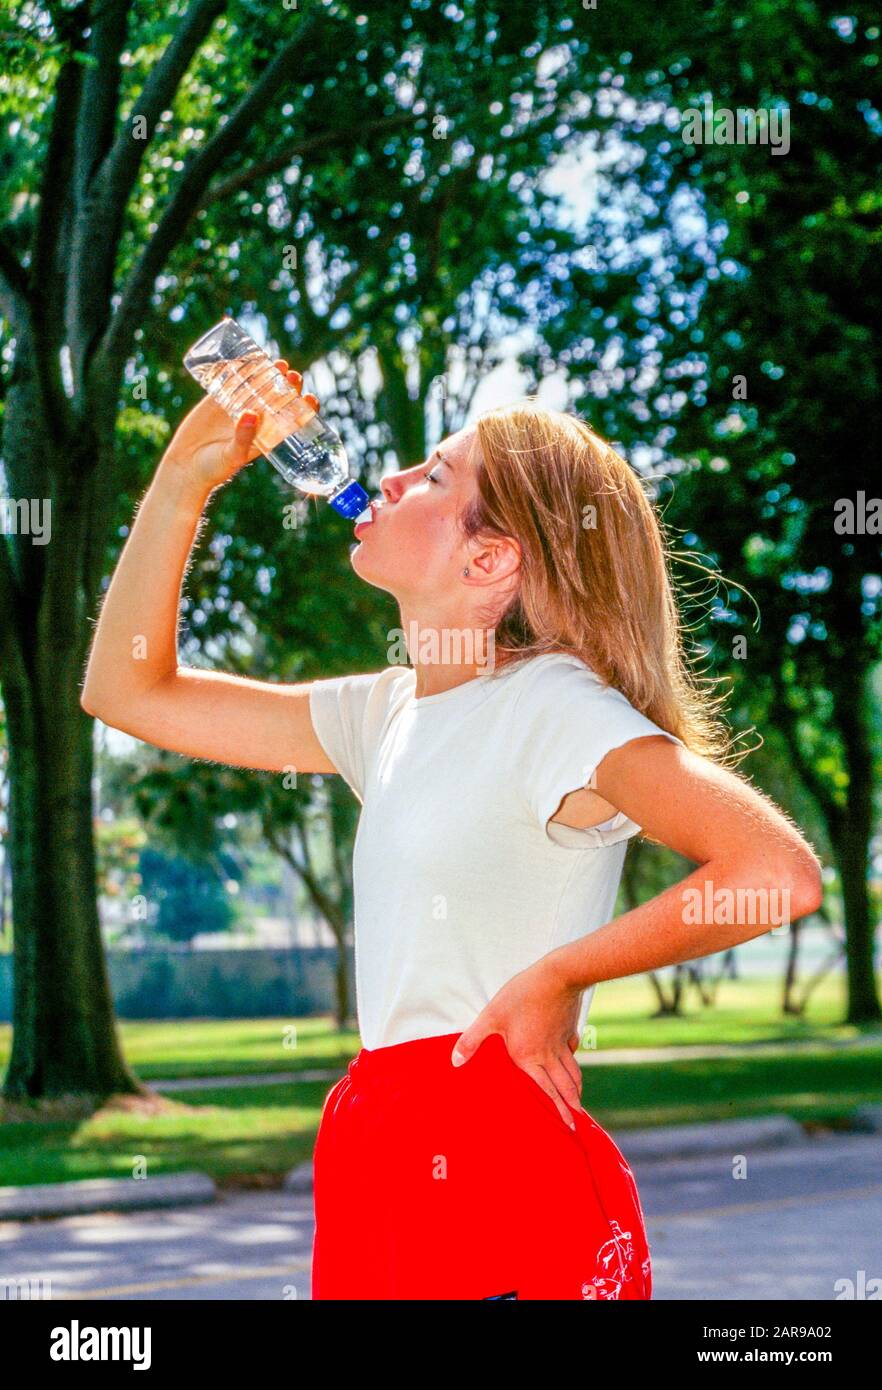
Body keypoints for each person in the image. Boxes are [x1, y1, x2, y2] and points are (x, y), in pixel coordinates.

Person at [81, 360, 823, 1302]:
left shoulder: (553, 705)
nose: (388, 480)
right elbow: (126, 690)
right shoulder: (385, 712)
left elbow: (778, 871)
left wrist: (563, 973)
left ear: (491, 560)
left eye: (433, 477)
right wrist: (184, 477)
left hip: (486, 1151)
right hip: (376, 1143)